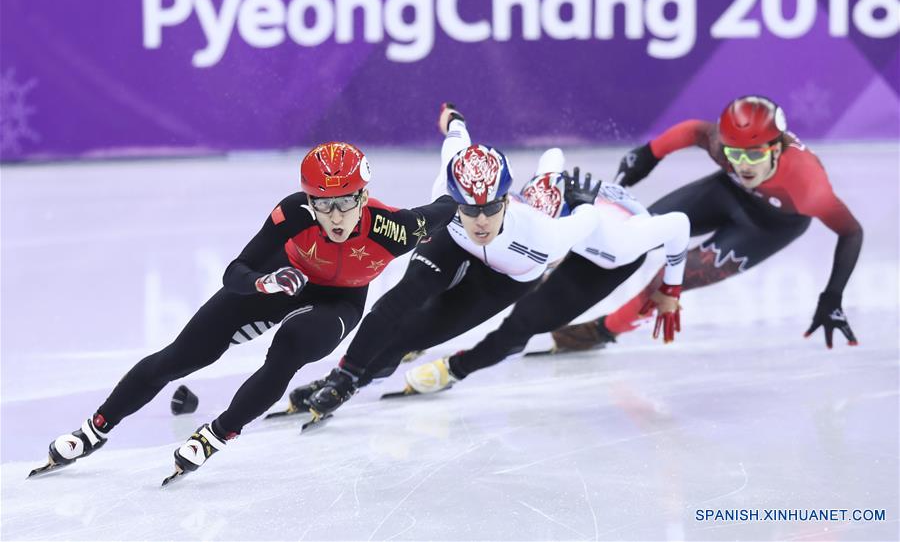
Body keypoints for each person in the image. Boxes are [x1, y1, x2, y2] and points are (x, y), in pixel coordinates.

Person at [34, 141, 459, 482]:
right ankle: (94, 429)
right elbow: (235, 271)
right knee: (181, 356)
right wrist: (263, 283)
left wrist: (466, 175)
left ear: (363, 196)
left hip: (338, 302)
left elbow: (448, 203)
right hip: (281, 279)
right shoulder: (294, 212)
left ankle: (217, 434)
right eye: (322, 202)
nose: (334, 216)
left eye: (345, 202)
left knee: (290, 347)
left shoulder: (396, 229)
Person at [280, 104, 607, 419]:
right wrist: (453, 119)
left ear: (507, 201)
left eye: (491, 208)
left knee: (412, 336)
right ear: (454, 199)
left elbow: (588, 220)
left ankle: (357, 379)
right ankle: (342, 379)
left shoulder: (544, 236)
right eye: (470, 209)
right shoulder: (447, 190)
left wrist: (584, 206)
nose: (481, 221)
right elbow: (456, 136)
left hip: (505, 277)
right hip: (453, 240)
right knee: (404, 297)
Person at [551, 95, 863, 352]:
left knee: (670, 279)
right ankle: (554, 273)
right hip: (727, 194)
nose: (744, 165)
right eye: (735, 154)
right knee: (636, 232)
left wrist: (832, 295)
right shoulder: (719, 145)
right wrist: (648, 154)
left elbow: (851, 232)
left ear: (777, 149)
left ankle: (602, 331)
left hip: (769, 228)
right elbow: (691, 130)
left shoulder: (807, 186)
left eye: (755, 156)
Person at [399, 172, 691, 396]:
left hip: (603, 263)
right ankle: (420, 335)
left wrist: (671, 289)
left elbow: (680, 223)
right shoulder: (530, 205)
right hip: (579, 235)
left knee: (524, 323)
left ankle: (456, 369)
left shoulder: (622, 242)